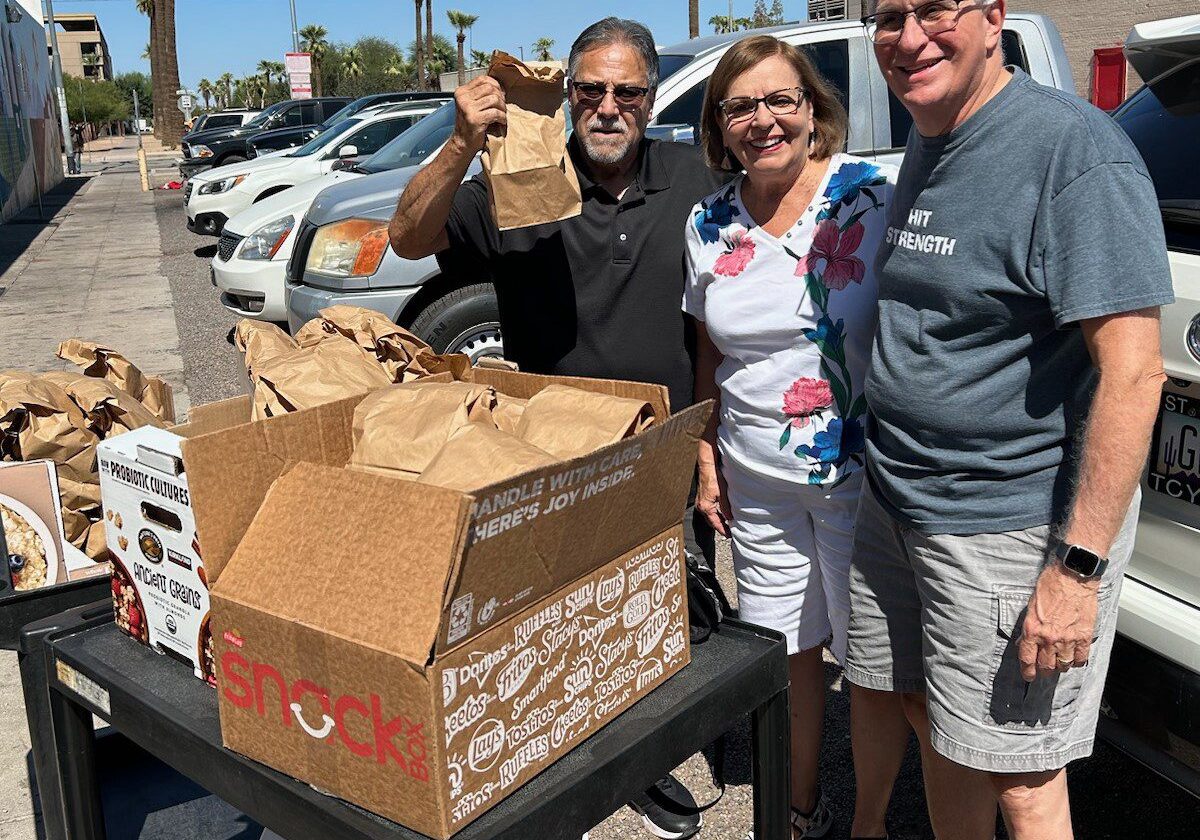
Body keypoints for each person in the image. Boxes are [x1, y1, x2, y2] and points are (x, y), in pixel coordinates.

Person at [390, 17, 725, 840]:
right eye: (590, 90)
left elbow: (728, 314)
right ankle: (554, 784)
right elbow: (406, 236)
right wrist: (462, 141)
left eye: (627, 91)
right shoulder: (519, 177)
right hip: (548, 458)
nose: (608, 107)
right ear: (567, 95)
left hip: (660, 449)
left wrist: (712, 438)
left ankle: (644, 767)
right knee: (550, 636)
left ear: (650, 99)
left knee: (661, 621)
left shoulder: (696, 179)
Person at [845, 2, 1175, 839]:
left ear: (992, 16)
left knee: (1024, 783)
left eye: (932, 10)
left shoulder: (1073, 152)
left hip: (1004, 524)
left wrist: (1076, 574)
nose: (909, 37)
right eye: (887, 16)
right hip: (899, 501)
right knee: (941, 731)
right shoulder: (933, 130)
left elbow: (1134, 375)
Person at [684, 35, 909, 840]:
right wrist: (708, 456)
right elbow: (711, 348)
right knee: (788, 654)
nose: (763, 120)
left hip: (862, 479)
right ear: (720, 125)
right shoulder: (708, 222)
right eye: (740, 106)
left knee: (876, 667)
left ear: (814, 108)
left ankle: (871, 823)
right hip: (758, 481)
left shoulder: (873, 197)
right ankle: (797, 812)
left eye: (781, 99)